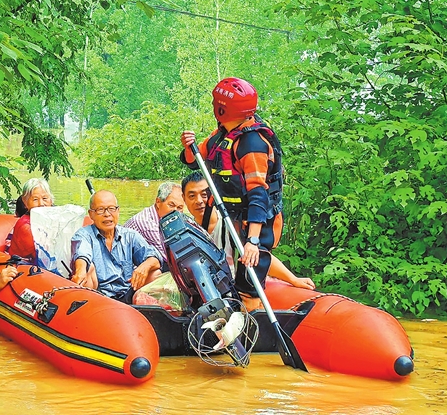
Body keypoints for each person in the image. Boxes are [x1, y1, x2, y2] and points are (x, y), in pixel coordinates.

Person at [180, 77, 291, 311]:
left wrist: (252, 240)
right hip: (233, 218)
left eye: (214, 104)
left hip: (259, 222)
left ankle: (252, 327)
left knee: (248, 282)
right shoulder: (222, 135)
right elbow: (194, 161)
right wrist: (188, 146)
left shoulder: (252, 144)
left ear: (222, 109)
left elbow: (258, 194)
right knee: (226, 272)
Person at [182, 172, 315, 291]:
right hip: (205, 292)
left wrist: (293, 279)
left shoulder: (230, 224)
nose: (199, 201)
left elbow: (256, 256)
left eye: (204, 195)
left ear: (212, 196)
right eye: (192, 196)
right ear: (184, 198)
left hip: (233, 289)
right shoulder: (186, 231)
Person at [70, 190, 161, 303]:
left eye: (112, 209)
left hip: (127, 291)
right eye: (100, 210)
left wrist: (144, 267)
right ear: (91, 214)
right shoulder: (84, 234)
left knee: (155, 272)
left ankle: (143, 311)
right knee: (89, 269)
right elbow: (82, 254)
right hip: (98, 295)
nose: (107, 214)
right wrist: (80, 270)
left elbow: (155, 258)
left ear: (118, 211)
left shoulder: (130, 235)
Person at [123, 181, 184, 261]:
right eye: (171, 205)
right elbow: (168, 257)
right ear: (158, 202)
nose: (175, 211)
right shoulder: (147, 222)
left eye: (179, 208)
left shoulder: (168, 219)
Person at [9, 178, 54, 261]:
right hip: (25, 268)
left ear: (51, 200)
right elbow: (44, 259)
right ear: (25, 202)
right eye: (35, 199)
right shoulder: (26, 227)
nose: (41, 204)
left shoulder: (53, 219)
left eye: (45, 198)